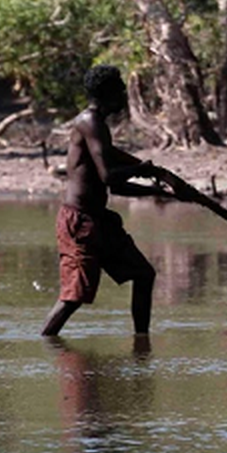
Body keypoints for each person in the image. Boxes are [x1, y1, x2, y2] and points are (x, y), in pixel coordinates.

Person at [41, 64, 188, 337]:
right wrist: (144, 170)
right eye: (120, 91)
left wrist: (157, 192)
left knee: (144, 275)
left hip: (99, 222)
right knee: (73, 298)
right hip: (79, 223)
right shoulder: (89, 122)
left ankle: (141, 344)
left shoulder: (99, 126)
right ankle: (47, 343)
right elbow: (109, 176)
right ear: (108, 93)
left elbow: (117, 188)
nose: (124, 96)